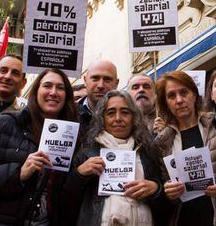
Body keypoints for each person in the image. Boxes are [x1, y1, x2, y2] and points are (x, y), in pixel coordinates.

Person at [0, 68, 78, 225]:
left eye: (60, 88)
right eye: (47, 86)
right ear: (35, 91)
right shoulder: (4, 124)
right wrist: (19, 174)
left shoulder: (75, 135)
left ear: (67, 96)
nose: (53, 92)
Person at [154, 71, 216, 226]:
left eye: (184, 92)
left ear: (194, 95)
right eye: (171, 96)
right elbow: (165, 185)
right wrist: (168, 191)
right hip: (184, 219)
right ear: (165, 102)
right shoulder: (162, 141)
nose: (179, 100)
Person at [61, 90, 168, 226]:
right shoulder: (87, 152)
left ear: (134, 117)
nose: (118, 118)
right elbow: (65, 205)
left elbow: (167, 207)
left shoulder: (148, 152)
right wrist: (79, 174)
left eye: (125, 112)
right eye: (111, 113)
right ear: (102, 118)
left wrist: (156, 189)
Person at [78, 60, 119, 134]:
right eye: (95, 78)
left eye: (107, 79)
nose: (100, 85)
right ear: (85, 80)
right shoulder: (69, 115)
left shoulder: (129, 117)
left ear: (116, 83)